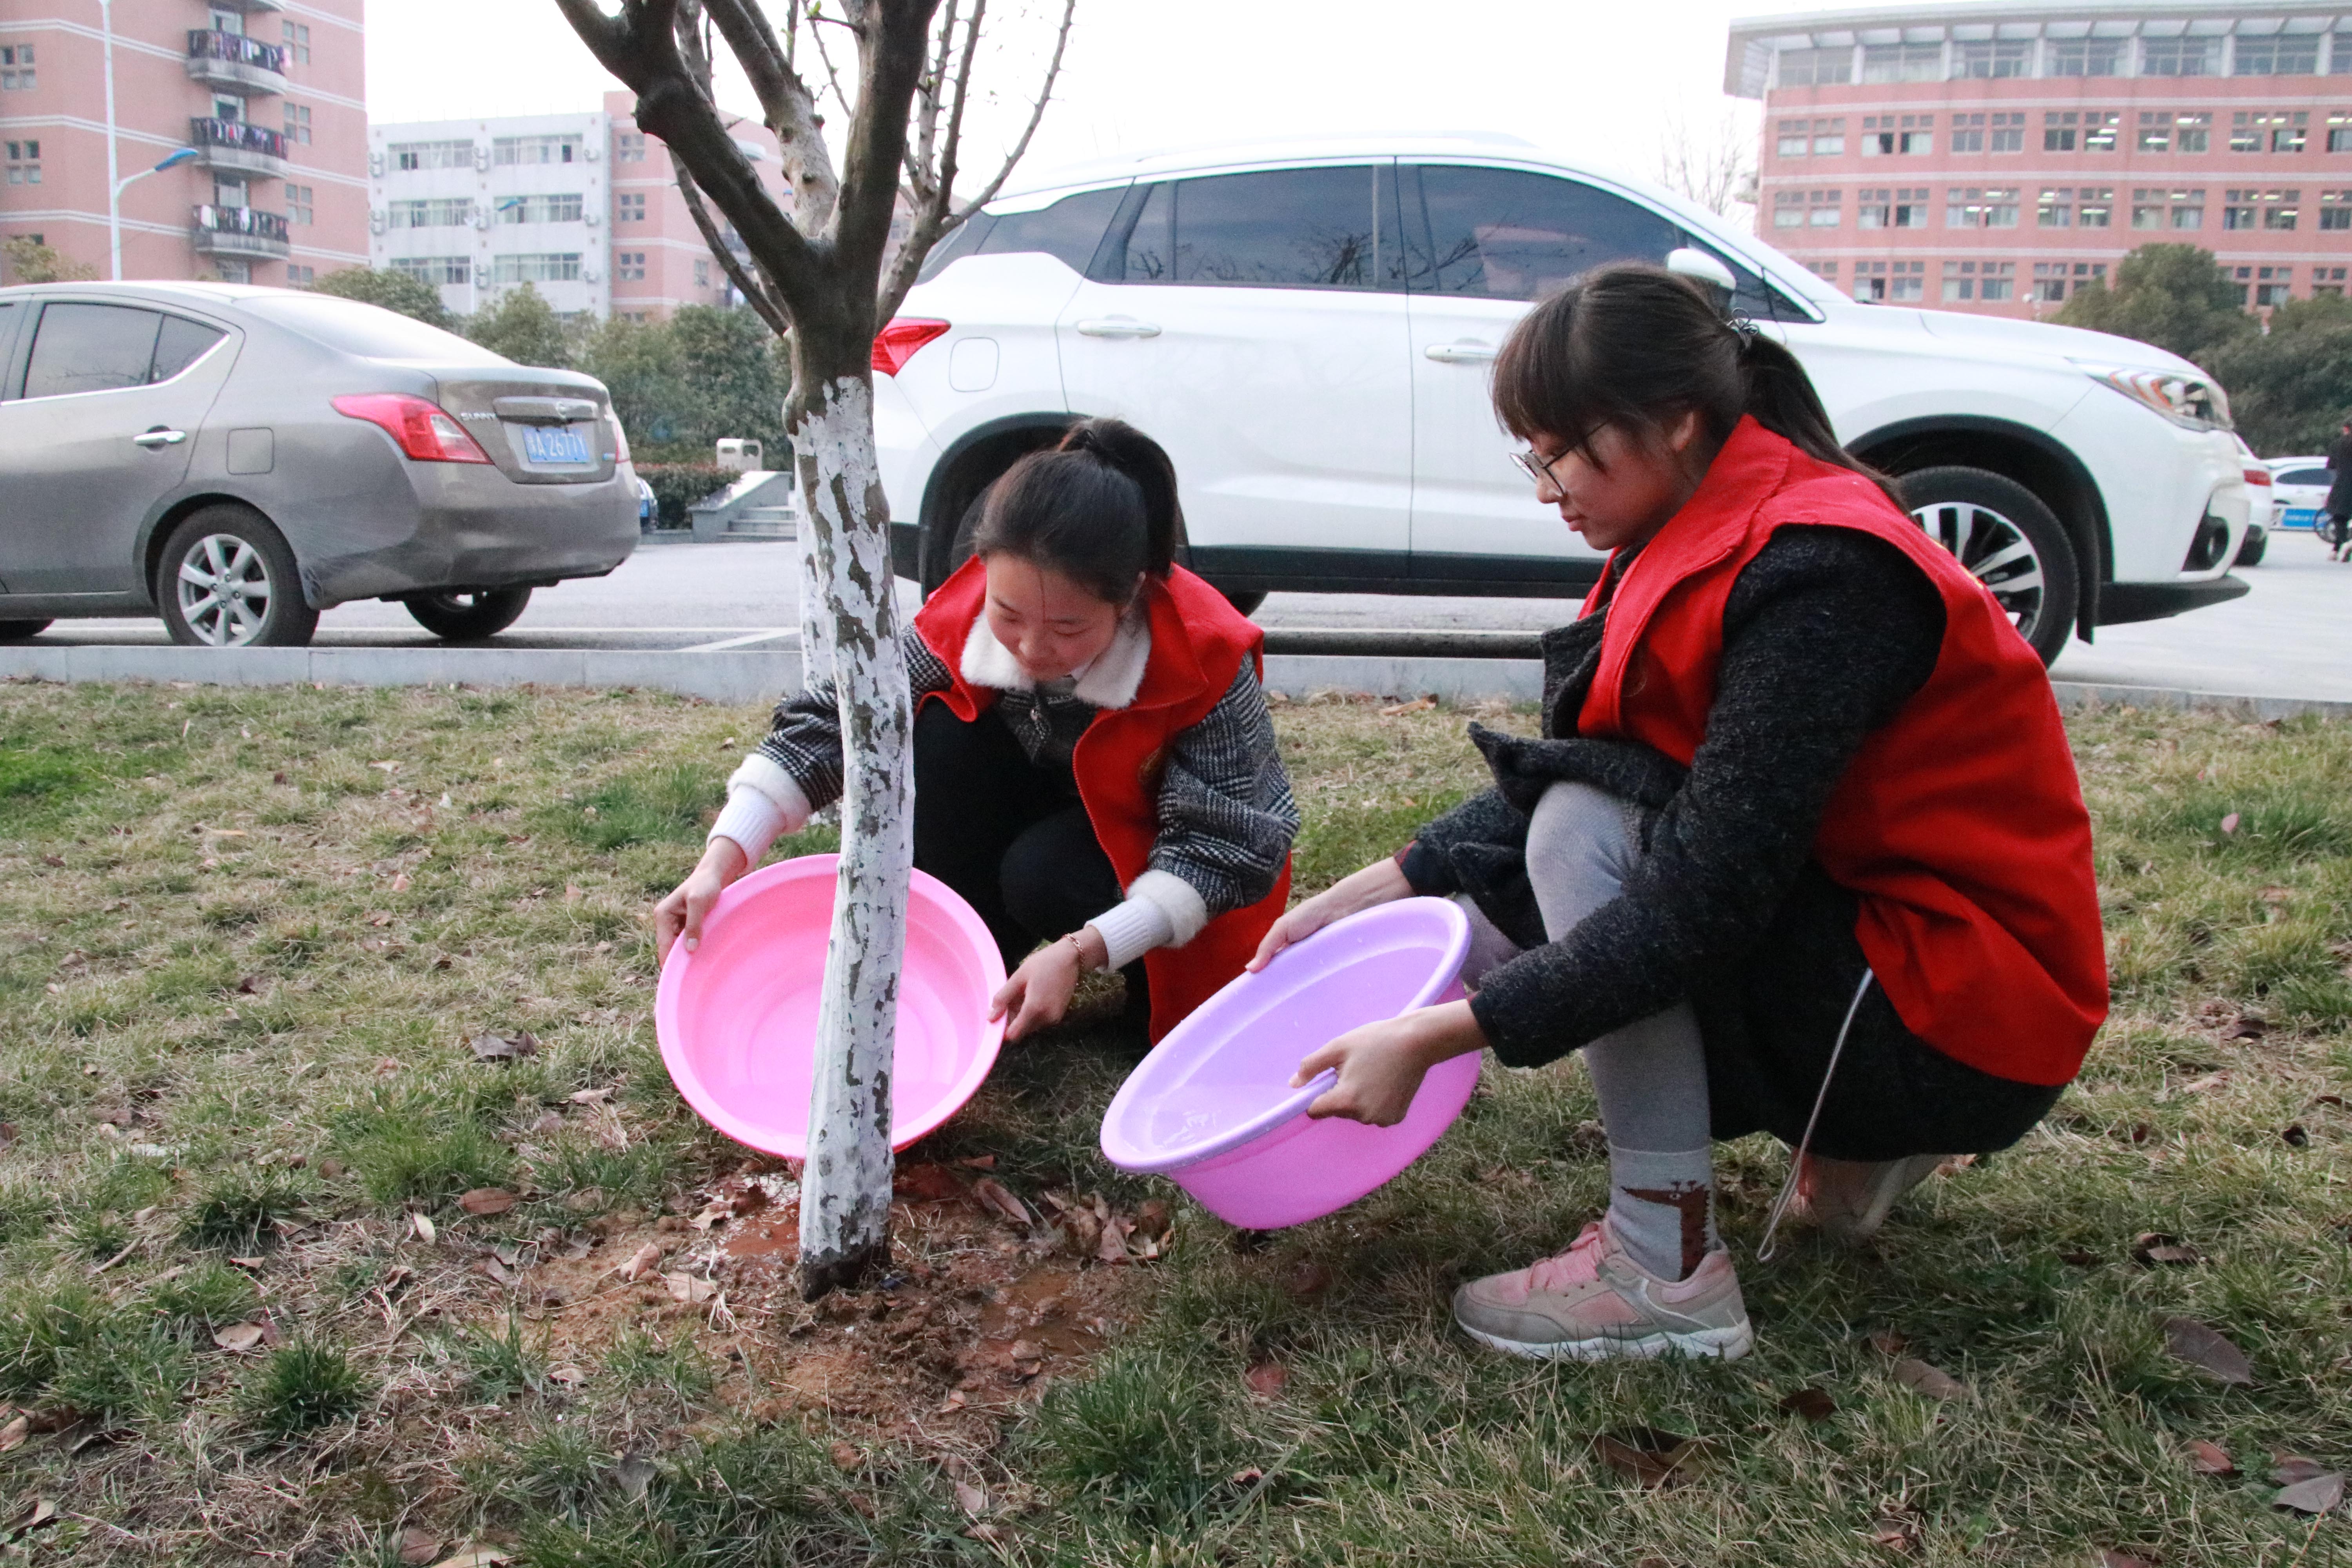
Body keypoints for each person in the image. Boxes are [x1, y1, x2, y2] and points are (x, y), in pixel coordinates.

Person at [1252, 264, 2107, 1363]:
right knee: (1568, 826)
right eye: (1536, 454)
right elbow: (1624, 759)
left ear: (1678, 422)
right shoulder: (1713, 529)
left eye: (1567, 451)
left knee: (1578, 835)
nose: (1550, 486)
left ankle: (1661, 1269)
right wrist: (1373, 888)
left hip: (1953, 1021)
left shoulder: (1821, 573)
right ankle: (1864, 1150)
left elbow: (1700, 900)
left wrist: (1440, 1030)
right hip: (1936, 989)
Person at [655, 418, 1299, 1044]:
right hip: (1037, 798)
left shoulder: (1204, 652)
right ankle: (971, 956)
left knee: (1043, 872)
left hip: (1147, 858)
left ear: (1129, 597)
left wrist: (1082, 950)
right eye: (1008, 614)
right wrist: (720, 862)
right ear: (983, 570)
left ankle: (1137, 987)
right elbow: (838, 725)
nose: (1032, 647)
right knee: (932, 737)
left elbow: (1232, 847)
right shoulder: (961, 615)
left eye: (1069, 628)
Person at [2325, 421, 2352, 560]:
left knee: (2340, 518)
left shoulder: (2338, 444)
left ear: (2346, 429)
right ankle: (2338, 547)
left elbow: (2331, 466)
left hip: (2344, 486)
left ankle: (2344, 545)